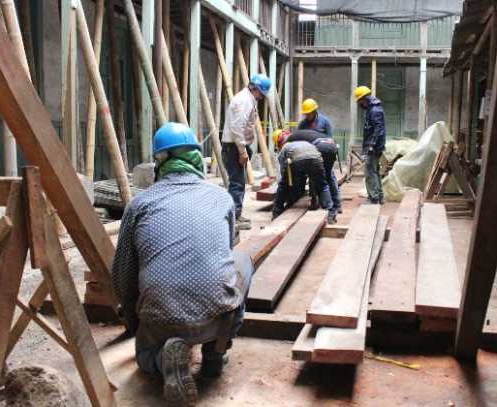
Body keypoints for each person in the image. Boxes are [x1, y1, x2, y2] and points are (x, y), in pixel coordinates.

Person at [112, 122, 254, 407]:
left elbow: (123, 273)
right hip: (216, 315)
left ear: (159, 161)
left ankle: (162, 361)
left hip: (159, 321)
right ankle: (216, 352)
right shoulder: (222, 198)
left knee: (145, 358)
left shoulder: (140, 204)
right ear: (196, 158)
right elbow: (223, 254)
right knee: (242, 260)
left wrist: (131, 317)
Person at [221, 73, 272, 231]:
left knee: (238, 182)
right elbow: (238, 128)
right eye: (262, 94)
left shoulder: (246, 98)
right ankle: (234, 218)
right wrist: (242, 151)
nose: (262, 98)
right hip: (234, 147)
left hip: (235, 146)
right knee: (237, 184)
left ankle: (234, 214)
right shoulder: (245, 101)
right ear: (256, 89)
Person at [272, 134, 336, 224]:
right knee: (322, 185)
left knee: (283, 185)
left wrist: (285, 184)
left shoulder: (285, 147)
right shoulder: (306, 143)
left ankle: (276, 212)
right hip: (316, 158)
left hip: (297, 159)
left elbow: (283, 168)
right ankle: (330, 213)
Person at [297, 99, 341, 213]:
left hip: (325, 154)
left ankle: (336, 204)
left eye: (309, 113)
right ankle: (315, 200)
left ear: (315, 111)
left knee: (329, 177)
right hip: (311, 156)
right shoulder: (302, 124)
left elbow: (330, 139)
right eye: (306, 114)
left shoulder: (325, 121)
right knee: (312, 177)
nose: (307, 116)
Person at [354, 86, 386, 204]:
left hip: (374, 146)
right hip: (375, 145)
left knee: (369, 172)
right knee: (375, 171)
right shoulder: (373, 108)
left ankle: (374, 197)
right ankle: (379, 196)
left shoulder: (374, 110)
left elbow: (378, 129)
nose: (359, 104)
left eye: (359, 101)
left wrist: (371, 145)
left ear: (364, 98)